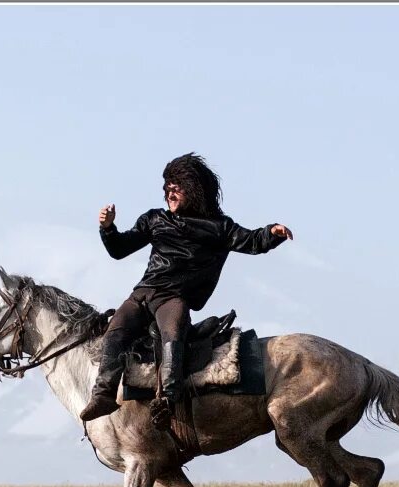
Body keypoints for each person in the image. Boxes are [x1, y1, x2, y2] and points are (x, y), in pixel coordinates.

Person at [79, 152, 293, 424]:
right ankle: (103, 396)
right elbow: (120, 249)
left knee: (173, 336)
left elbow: (251, 241)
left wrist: (271, 233)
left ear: (194, 189)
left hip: (173, 298)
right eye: (167, 187)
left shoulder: (218, 227)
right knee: (115, 332)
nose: (169, 192)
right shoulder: (154, 219)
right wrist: (108, 228)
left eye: (175, 187)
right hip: (143, 293)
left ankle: (168, 399)